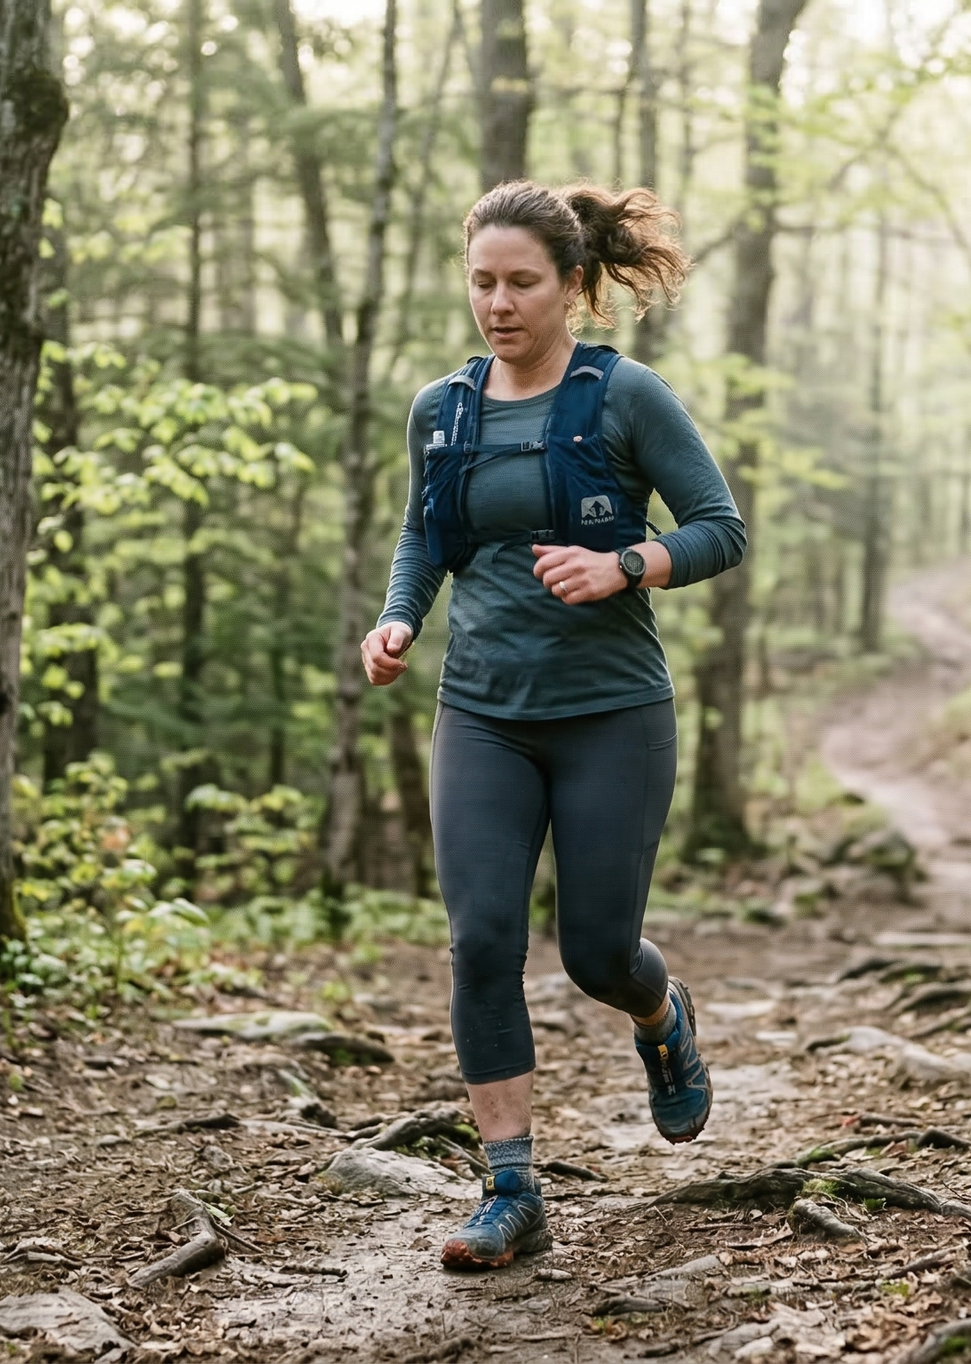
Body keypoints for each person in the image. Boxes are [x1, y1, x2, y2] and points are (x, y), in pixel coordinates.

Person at [360, 180, 747, 1271]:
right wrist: (395, 621)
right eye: (480, 281)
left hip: (611, 713)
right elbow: (422, 539)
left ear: (572, 285)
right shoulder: (442, 407)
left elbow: (721, 530)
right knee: (481, 939)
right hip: (481, 712)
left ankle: (660, 1013)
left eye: (521, 281)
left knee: (593, 951)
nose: (497, 302)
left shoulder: (626, 397)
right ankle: (510, 1189)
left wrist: (625, 561)